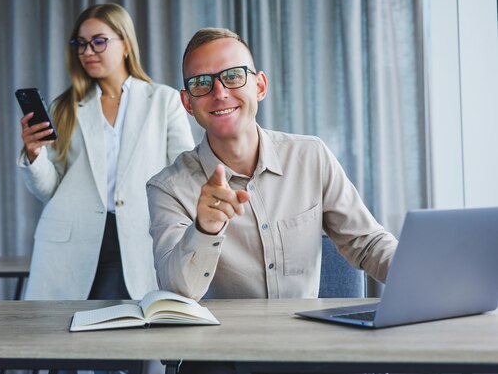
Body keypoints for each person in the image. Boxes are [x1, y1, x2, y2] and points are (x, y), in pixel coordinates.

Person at [146, 27, 398, 373]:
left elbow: (367, 244)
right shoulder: (167, 187)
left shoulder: (311, 156)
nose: (219, 92)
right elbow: (177, 292)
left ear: (259, 86)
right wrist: (204, 229)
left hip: (307, 348)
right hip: (222, 355)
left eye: (233, 76)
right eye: (201, 83)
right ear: (188, 103)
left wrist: (428, 280)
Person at [18, 2, 194, 305]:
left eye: (99, 41)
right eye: (81, 44)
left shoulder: (162, 100)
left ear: (125, 44)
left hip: (141, 237)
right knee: (71, 341)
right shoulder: (66, 107)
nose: (87, 52)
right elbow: (51, 189)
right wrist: (35, 155)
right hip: (75, 243)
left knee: (137, 341)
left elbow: (184, 173)